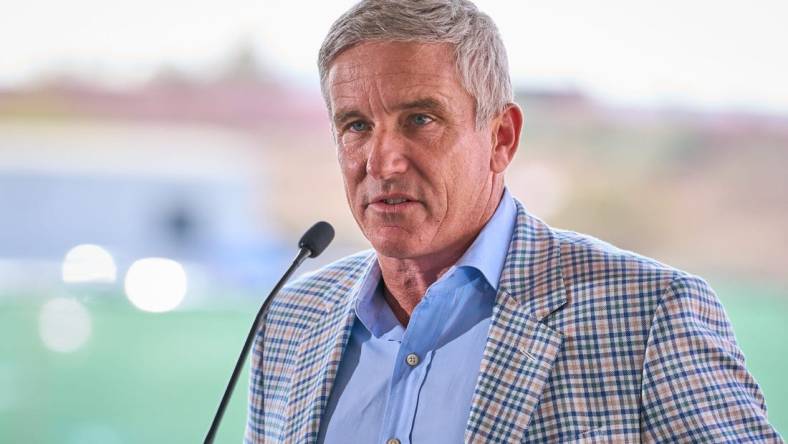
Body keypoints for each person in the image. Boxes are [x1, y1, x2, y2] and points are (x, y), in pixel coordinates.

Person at [246, 1, 782, 442]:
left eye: (420, 119)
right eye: (357, 125)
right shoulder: (289, 322)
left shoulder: (650, 315)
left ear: (501, 137)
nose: (382, 162)